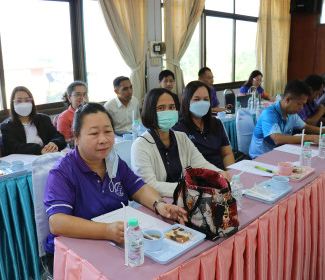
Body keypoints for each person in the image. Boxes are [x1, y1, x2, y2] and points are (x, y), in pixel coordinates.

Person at [43, 102, 188, 271]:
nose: (103, 139)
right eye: (94, 133)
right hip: (74, 251)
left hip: (114, 241)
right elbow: (57, 222)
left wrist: (160, 205)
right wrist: (106, 231)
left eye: (108, 131)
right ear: (76, 137)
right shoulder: (62, 172)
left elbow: (138, 188)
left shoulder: (113, 161)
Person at [131, 88, 231, 198]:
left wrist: (218, 173)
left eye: (171, 107)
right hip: (158, 203)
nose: (168, 111)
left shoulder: (181, 138)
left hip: (185, 198)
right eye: (161, 108)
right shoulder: (140, 145)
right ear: (150, 111)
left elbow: (200, 164)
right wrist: (188, 189)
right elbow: (149, 185)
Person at [249, 79, 324, 159]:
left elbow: (307, 127)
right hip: (261, 157)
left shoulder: (291, 114)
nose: (301, 108)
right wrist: (311, 138)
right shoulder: (269, 113)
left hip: (280, 152)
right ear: (287, 100)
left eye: (303, 104)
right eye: (299, 104)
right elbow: (278, 139)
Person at [173, 81, 235, 170]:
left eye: (206, 99)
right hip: (197, 177)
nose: (202, 103)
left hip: (221, 175)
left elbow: (227, 154)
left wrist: (230, 174)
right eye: (196, 99)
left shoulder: (216, 123)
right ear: (187, 101)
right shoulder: (178, 128)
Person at [0, 86, 66, 155]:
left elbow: (58, 137)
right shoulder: (6, 126)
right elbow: (13, 147)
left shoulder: (44, 119)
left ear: (32, 102)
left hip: (46, 158)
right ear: (13, 104)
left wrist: (54, 143)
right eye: (19, 101)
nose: (23, 104)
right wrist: (39, 149)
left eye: (27, 100)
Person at [56, 81, 88, 146]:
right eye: (78, 94)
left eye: (84, 94)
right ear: (69, 98)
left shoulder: (91, 112)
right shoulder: (64, 117)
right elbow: (63, 141)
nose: (82, 98)